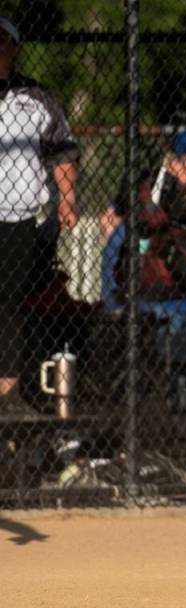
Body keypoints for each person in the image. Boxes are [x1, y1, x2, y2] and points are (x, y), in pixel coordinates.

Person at [0, 17, 79, 414]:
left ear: (15, 50)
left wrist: (67, 197)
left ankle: (7, 395)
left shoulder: (36, 97)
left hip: (18, 217)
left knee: (10, 304)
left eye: (2, 43)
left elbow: (61, 149)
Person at [99, 129, 186, 334]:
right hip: (156, 294)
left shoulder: (145, 181)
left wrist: (132, 249)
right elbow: (181, 247)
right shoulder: (173, 193)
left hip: (122, 276)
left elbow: (106, 221)